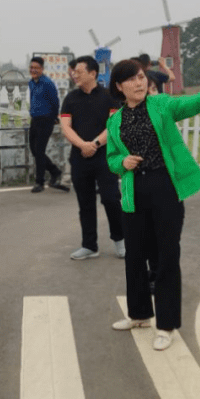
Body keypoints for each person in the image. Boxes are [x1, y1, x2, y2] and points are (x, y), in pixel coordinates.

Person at [106, 59, 200, 351]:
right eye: (131, 79)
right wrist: (123, 162)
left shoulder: (160, 105)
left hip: (164, 186)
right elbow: (111, 159)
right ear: (119, 87)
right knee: (135, 255)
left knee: (167, 255)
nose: (139, 83)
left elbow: (187, 105)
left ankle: (166, 325)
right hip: (133, 191)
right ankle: (140, 314)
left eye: (141, 77)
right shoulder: (115, 120)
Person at [59, 55, 125, 260]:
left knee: (111, 199)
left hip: (105, 156)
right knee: (84, 202)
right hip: (80, 157)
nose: (74, 75)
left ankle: (120, 240)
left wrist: (95, 144)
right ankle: (89, 245)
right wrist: (82, 145)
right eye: (74, 72)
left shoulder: (110, 97)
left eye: (79, 72)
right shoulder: (70, 99)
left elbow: (113, 126)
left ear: (93, 73)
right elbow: (65, 127)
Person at [27, 57, 68, 193]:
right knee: (34, 149)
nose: (33, 70)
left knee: (39, 151)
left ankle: (40, 182)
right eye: (31, 67)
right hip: (35, 119)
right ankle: (55, 171)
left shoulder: (48, 83)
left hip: (46, 120)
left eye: (36, 68)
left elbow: (55, 102)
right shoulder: (32, 83)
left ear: (42, 69)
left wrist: (54, 118)